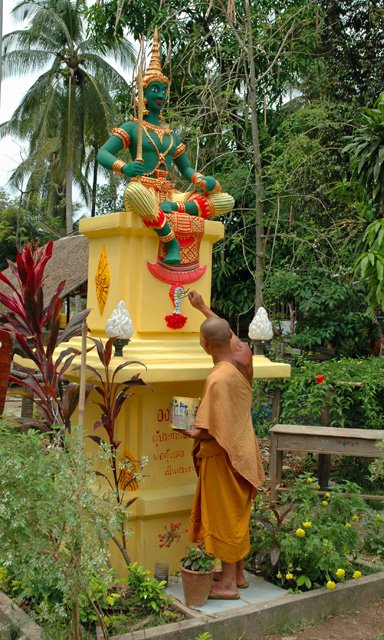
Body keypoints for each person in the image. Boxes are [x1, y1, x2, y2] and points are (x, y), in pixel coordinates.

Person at [96, 28, 234, 266]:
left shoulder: (171, 135)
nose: (160, 94)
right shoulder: (133, 127)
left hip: (170, 195)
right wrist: (125, 169)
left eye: (163, 90)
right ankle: (170, 241)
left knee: (226, 200)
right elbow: (102, 154)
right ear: (144, 94)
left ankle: (176, 208)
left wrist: (201, 180)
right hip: (144, 191)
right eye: (154, 89)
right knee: (133, 192)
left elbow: (186, 170)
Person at [183, 290, 265, 599]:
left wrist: (193, 433)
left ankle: (228, 585)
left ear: (204, 344)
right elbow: (223, 329)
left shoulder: (217, 380)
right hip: (246, 449)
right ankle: (239, 575)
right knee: (238, 512)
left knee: (225, 516)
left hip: (224, 455)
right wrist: (203, 307)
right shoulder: (244, 356)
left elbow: (209, 431)